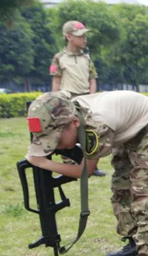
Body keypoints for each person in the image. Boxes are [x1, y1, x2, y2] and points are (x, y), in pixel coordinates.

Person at [25, 90, 148, 256]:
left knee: (145, 190)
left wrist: (44, 163)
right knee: (121, 187)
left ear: (74, 123)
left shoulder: (96, 125)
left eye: (56, 140)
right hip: (128, 128)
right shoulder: (67, 112)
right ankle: (134, 242)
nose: (55, 147)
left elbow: (85, 171)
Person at [50, 20, 105, 177]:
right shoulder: (59, 58)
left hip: (86, 99)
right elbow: (56, 81)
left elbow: (92, 79)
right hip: (68, 100)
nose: (84, 39)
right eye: (80, 36)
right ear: (68, 36)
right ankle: (69, 164)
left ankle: (92, 165)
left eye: (85, 36)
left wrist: (92, 98)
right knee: (69, 132)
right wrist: (55, 102)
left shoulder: (87, 59)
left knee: (92, 131)